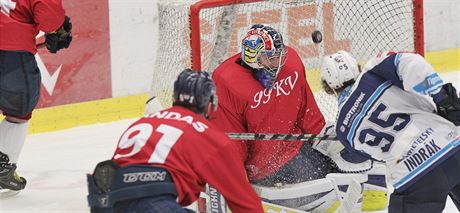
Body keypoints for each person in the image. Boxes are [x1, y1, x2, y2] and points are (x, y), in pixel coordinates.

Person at [210, 24, 388, 212]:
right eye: (272, 57)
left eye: (280, 54)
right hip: (265, 167)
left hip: (298, 147)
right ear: (254, 58)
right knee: (337, 187)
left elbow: (305, 110)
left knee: (358, 165)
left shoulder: (291, 62)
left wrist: (323, 136)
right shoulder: (226, 82)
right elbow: (232, 141)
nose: (279, 61)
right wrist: (237, 182)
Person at [86, 69, 264, 213]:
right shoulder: (209, 135)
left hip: (105, 203)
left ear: (174, 98)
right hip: (152, 204)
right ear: (209, 105)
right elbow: (245, 204)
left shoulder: (143, 122)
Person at [319, 50, 460, 212]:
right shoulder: (374, 70)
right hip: (452, 147)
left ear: (328, 87)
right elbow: (412, 63)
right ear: (356, 67)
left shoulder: (342, 130)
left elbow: (368, 159)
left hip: (415, 180)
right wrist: (442, 97)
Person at [0, 0, 72, 191]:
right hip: (11, 51)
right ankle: (2, 168)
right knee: (19, 110)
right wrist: (57, 29)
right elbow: (49, 17)